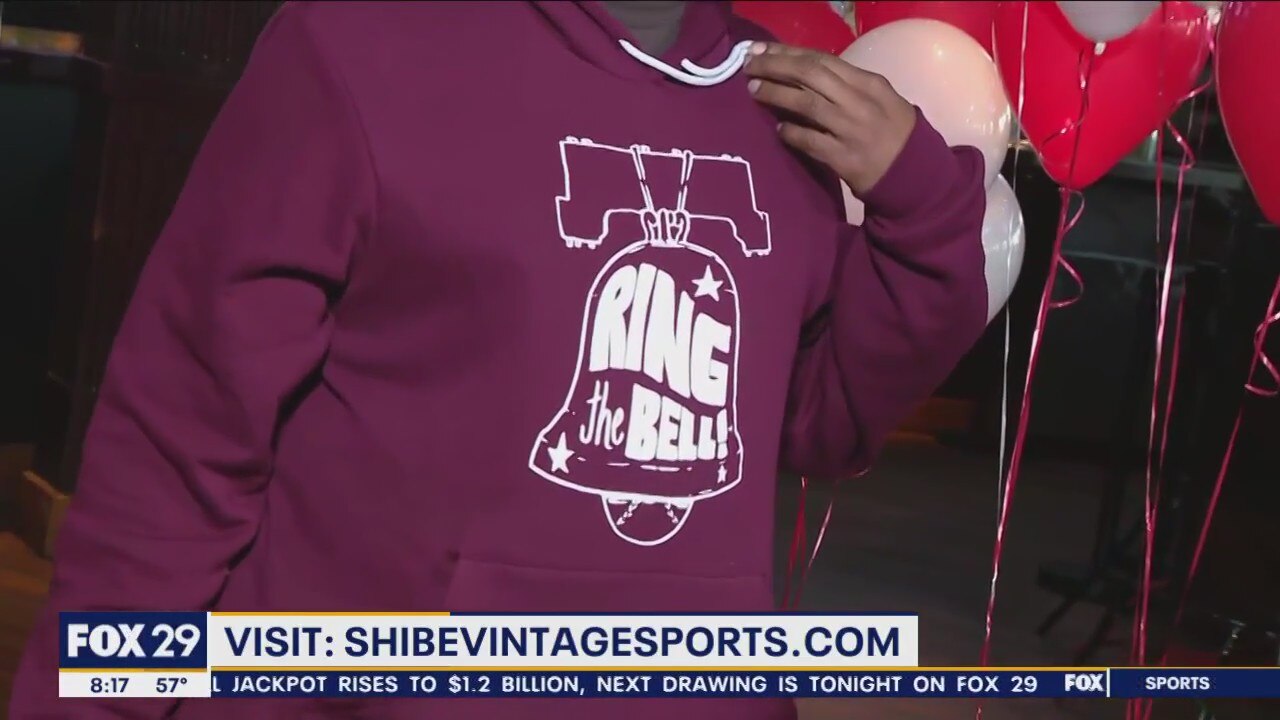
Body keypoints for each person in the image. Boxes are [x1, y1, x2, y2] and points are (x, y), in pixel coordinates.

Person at [10, 1, 989, 718]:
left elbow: (819, 423)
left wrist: (920, 207)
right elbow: (181, 434)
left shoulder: (793, 105)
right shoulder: (358, 47)